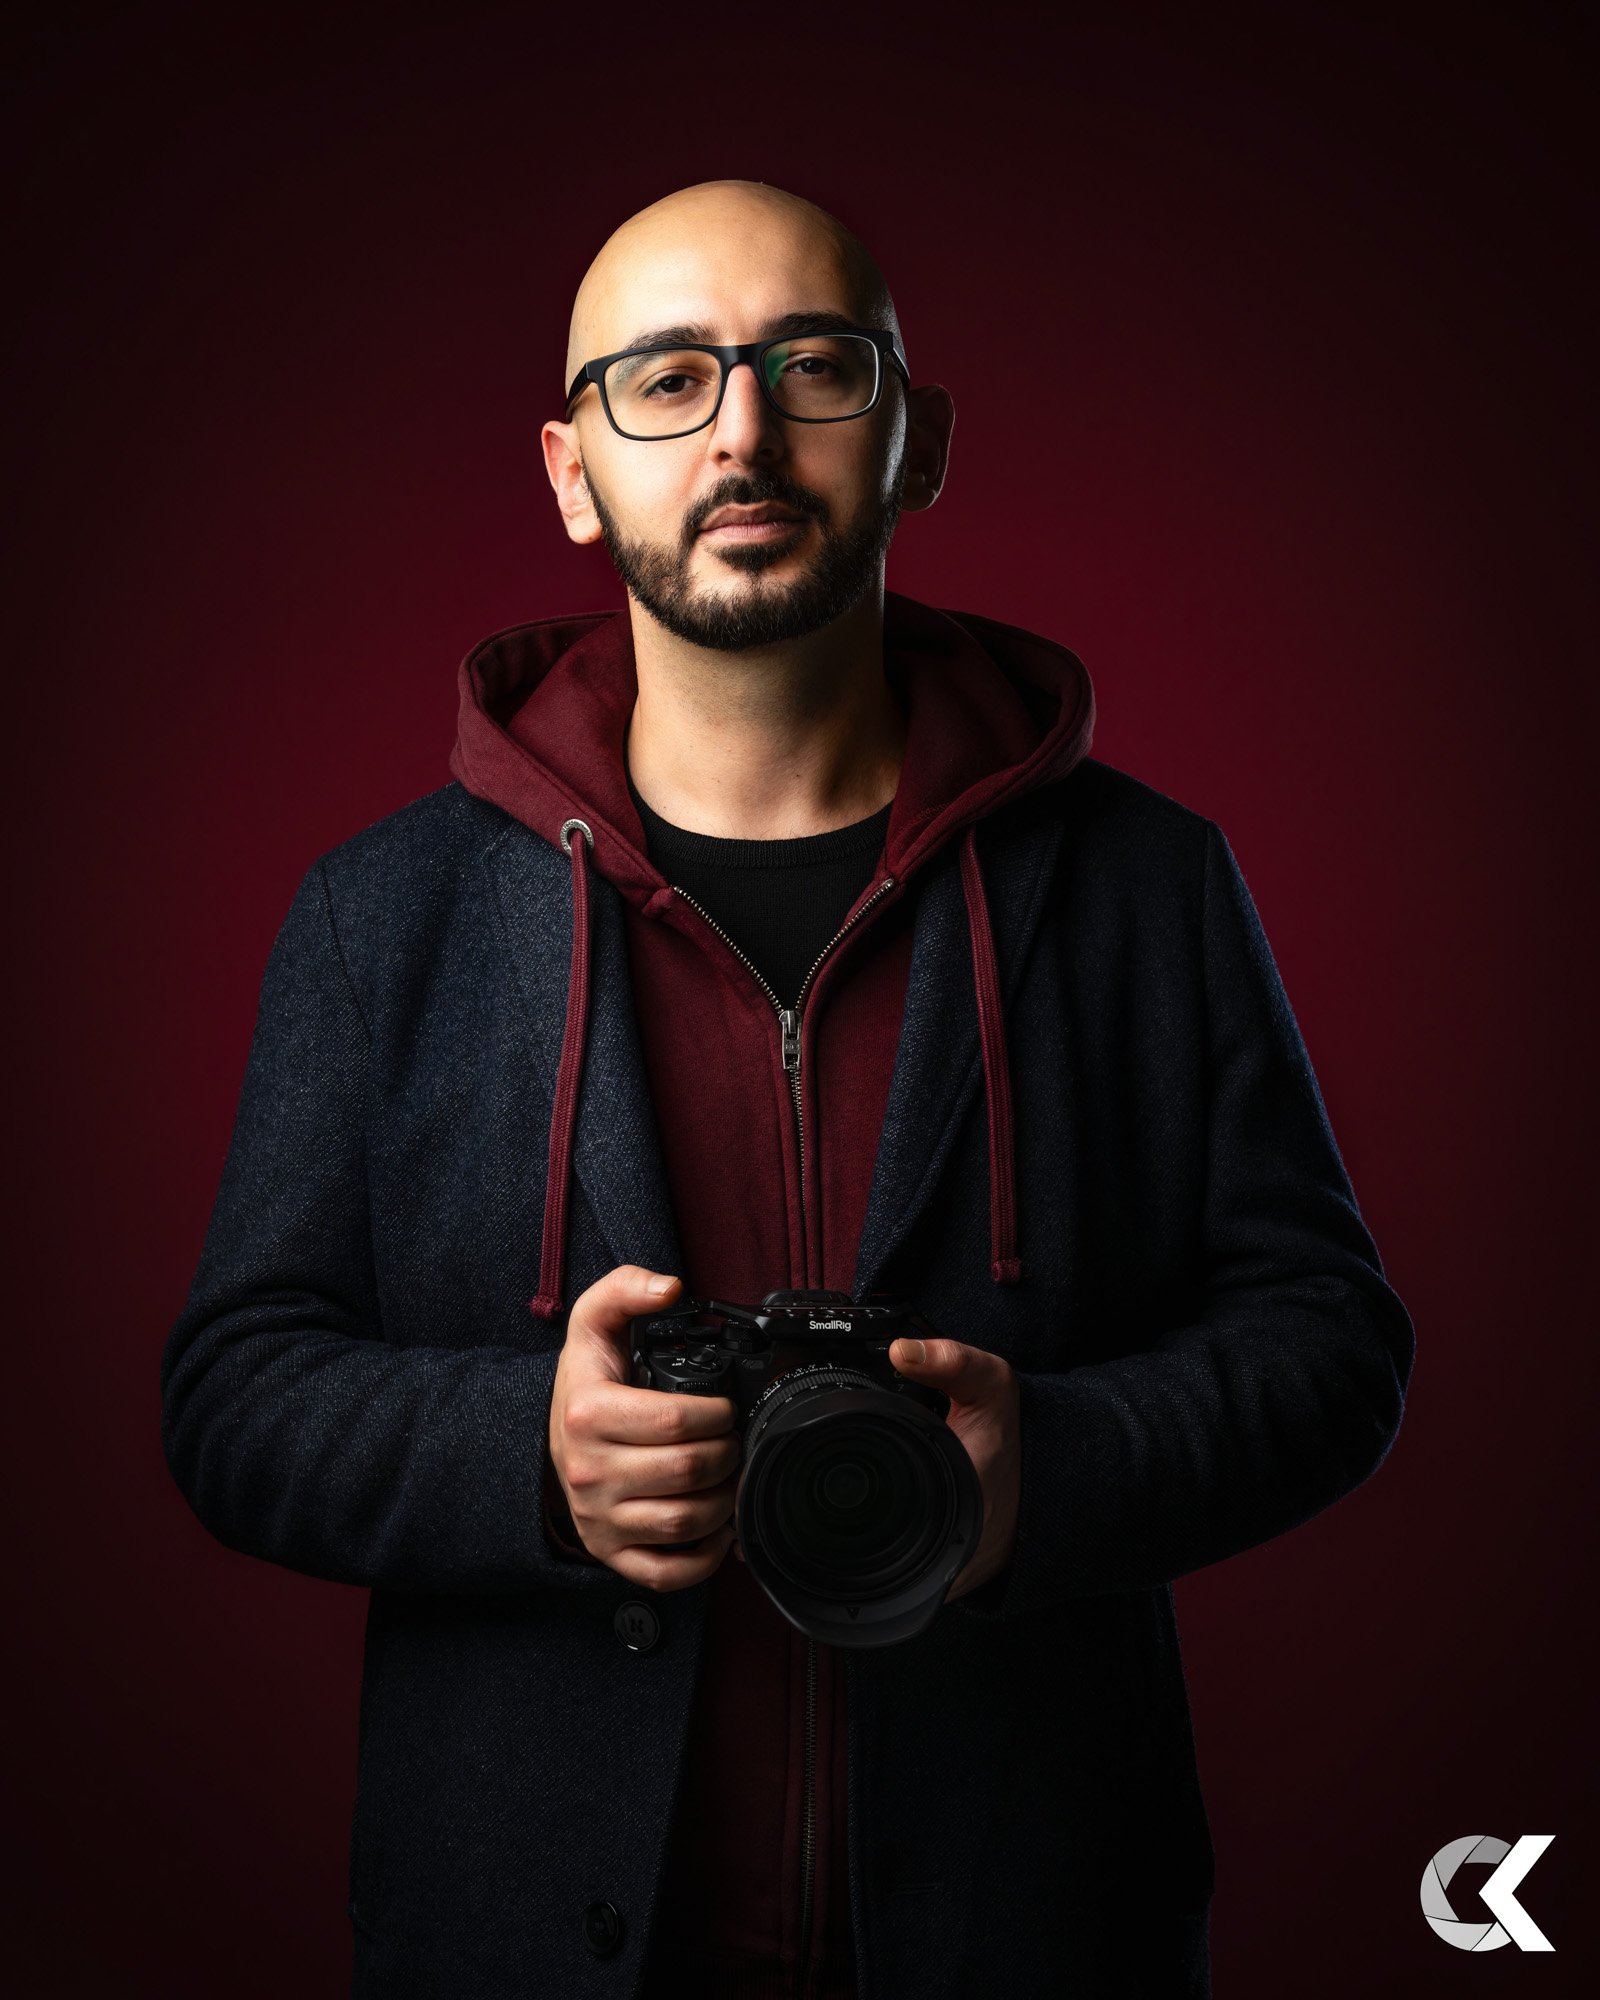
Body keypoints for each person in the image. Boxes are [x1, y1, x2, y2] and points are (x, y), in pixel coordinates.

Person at [161, 179, 1415, 2000]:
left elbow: (1333, 1346)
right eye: (666, 378)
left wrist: (1045, 1477)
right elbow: (233, 1393)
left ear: (918, 441)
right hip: (523, 1948)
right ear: (573, 470)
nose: (742, 432)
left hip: (1036, 1933)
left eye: (815, 366)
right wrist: (529, 1460)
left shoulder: (1147, 885)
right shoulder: (384, 917)